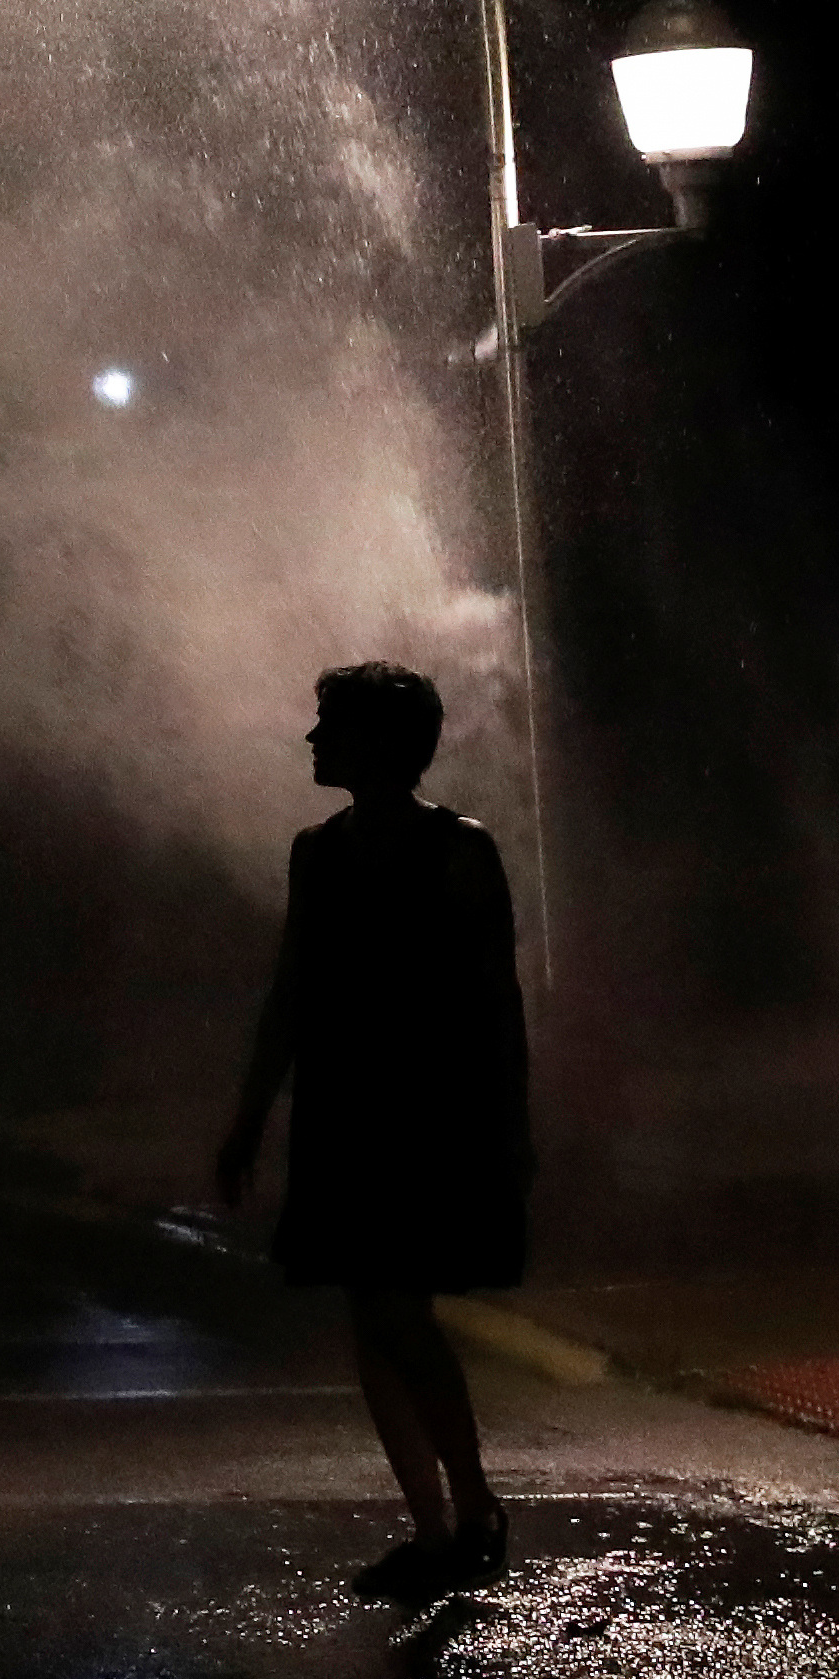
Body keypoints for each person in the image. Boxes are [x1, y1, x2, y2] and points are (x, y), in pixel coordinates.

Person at [215, 661, 531, 1606]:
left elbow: (494, 1004)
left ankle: (470, 1509)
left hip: (425, 1114)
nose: (313, 741)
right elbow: (290, 996)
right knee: (373, 1315)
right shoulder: (315, 850)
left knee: (395, 1312)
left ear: (381, 744)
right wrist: (250, 1116)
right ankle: (436, 1524)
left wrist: (509, 1126)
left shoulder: (458, 850)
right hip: (343, 1110)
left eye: (329, 725)